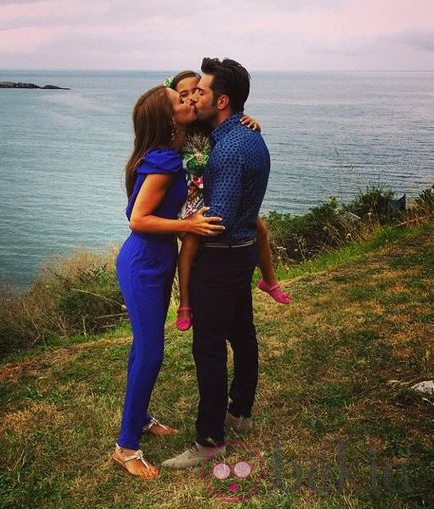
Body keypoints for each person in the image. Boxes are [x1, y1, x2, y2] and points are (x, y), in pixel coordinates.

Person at [113, 84, 225, 479]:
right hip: (143, 262)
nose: (189, 100)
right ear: (168, 118)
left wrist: (245, 119)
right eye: (181, 100)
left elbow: (213, 127)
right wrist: (187, 225)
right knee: (150, 352)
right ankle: (126, 447)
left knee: (143, 348)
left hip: (157, 259)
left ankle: (140, 418)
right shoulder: (163, 160)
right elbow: (138, 219)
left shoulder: (171, 151)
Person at [162, 58, 270, 469]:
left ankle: (209, 440)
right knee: (241, 332)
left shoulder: (227, 150)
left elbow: (218, 218)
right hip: (243, 252)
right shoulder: (249, 135)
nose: (195, 98)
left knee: (208, 348)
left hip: (221, 258)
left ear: (221, 101)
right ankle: (240, 411)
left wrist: (185, 225)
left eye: (202, 92)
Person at [168, 71, 290, 332]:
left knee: (260, 229)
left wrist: (252, 122)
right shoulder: (181, 127)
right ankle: (184, 303)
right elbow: (170, 155)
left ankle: (270, 280)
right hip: (195, 192)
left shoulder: (209, 124)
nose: (191, 99)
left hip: (219, 189)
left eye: (197, 92)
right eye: (183, 96)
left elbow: (229, 127)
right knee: (190, 244)